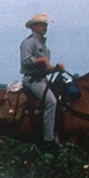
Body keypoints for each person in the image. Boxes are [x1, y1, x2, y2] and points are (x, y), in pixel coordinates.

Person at [20, 13, 64, 148]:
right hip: (32, 80)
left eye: (45, 25)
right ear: (34, 26)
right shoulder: (29, 42)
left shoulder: (45, 47)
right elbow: (25, 61)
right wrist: (41, 60)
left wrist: (56, 69)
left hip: (42, 79)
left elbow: (45, 68)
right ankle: (48, 139)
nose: (45, 27)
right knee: (51, 101)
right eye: (42, 25)